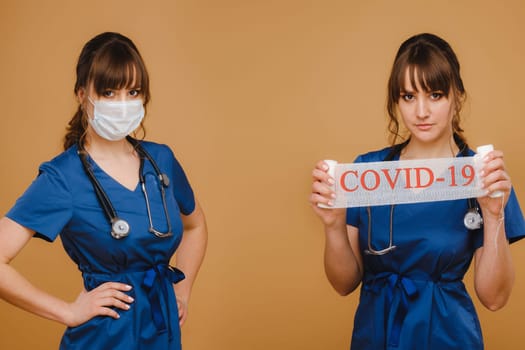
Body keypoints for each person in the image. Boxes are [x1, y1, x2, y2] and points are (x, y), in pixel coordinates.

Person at [309, 33, 525, 349]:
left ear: (457, 98)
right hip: (377, 335)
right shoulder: (366, 172)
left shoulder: (483, 175)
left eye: (435, 95)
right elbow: (343, 284)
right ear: (395, 101)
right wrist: (332, 226)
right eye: (408, 96)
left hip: (447, 336)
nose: (421, 111)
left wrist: (494, 217)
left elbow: (495, 298)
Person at [0, 32, 207, 349]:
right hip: (105, 337)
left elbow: (195, 225)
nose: (123, 105)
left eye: (133, 91)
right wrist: (68, 311)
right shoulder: (63, 177)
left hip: (162, 329)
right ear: (83, 95)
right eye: (109, 92)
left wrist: (183, 289)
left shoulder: (161, 160)